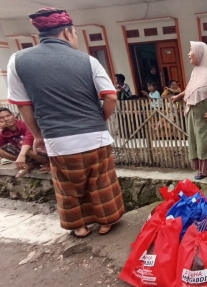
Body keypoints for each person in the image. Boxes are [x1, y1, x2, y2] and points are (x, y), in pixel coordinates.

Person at [7, 8, 124, 238]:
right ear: (68, 33)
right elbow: (110, 96)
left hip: (57, 138)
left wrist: (38, 136)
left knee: (68, 186)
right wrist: (99, 120)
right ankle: (106, 223)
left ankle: (79, 227)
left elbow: (23, 105)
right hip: (94, 137)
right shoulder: (87, 61)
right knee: (101, 181)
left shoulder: (18, 61)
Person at [171, 41, 207, 180]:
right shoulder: (196, 72)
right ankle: (204, 170)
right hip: (196, 118)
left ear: (200, 52)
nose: (188, 54)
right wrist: (179, 96)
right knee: (199, 142)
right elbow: (191, 88)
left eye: (191, 50)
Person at [0, 107, 50, 177]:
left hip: (43, 152)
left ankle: (48, 163)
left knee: (26, 146)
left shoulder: (25, 125)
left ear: (13, 116)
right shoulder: (5, 132)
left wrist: (21, 155)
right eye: (2, 118)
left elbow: (29, 138)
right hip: (27, 155)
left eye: (8, 116)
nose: (6, 119)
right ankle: (29, 164)